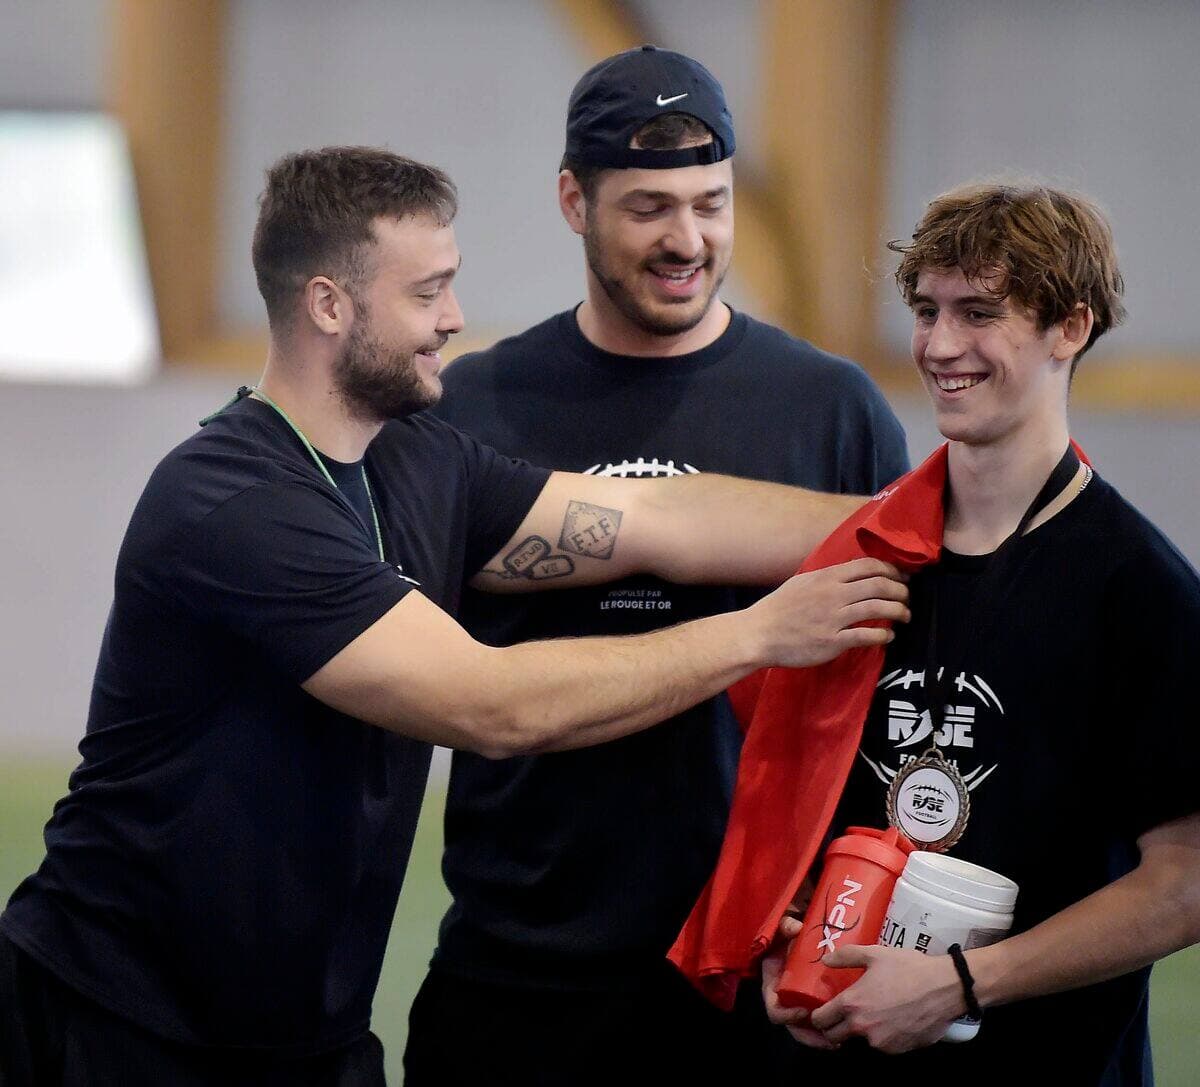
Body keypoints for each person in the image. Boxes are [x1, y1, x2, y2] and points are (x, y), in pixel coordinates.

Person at [0, 146, 910, 1087]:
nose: (455, 320)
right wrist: (763, 632)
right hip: (118, 1024)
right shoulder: (232, 500)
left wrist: (926, 523)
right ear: (329, 306)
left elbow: (658, 518)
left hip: (311, 1036)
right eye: (428, 293)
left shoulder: (424, 465)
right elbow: (492, 704)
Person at [405, 45, 909, 1085]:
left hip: (752, 976)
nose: (687, 240)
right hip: (520, 969)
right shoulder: (472, 406)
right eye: (647, 208)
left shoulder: (832, 408)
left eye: (711, 203)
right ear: (572, 202)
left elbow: (888, 693)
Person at [758, 183, 1200, 1084]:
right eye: (926, 310)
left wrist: (962, 984)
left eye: (980, 312)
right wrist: (789, 941)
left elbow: (1187, 879)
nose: (940, 344)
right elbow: (799, 804)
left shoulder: (1139, 587)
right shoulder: (862, 559)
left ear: (1068, 328)